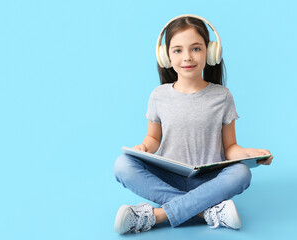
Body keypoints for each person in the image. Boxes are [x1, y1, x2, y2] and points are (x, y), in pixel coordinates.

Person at [113, 14, 273, 235]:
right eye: (177, 50)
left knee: (242, 173)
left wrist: (248, 153)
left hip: (209, 182)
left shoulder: (223, 96)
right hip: (168, 180)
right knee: (123, 165)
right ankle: (206, 212)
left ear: (210, 51)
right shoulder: (158, 95)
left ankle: (156, 216)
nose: (187, 57)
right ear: (165, 56)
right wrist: (143, 148)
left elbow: (230, 147)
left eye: (196, 48)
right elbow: (153, 138)